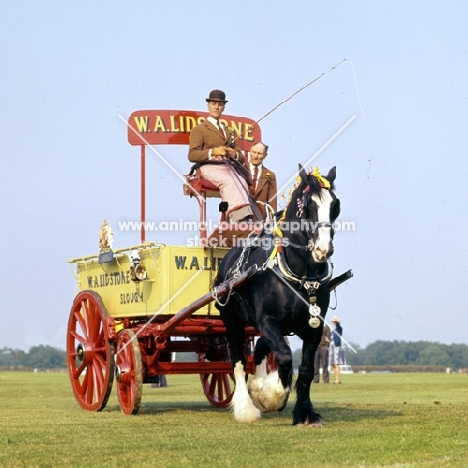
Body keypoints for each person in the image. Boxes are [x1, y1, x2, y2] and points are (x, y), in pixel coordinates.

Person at [188, 89, 253, 223]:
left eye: (220, 104)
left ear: (223, 107)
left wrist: (234, 153)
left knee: (242, 182)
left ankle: (237, 219)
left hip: (228, 167)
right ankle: (239, 219)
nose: (217, 107)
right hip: (209, 167)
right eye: (213, 103)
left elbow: (241, 156)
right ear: (208, 105)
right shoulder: (199, 129)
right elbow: (192, 155)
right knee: (228, 181)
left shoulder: (228, 131)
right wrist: (213, 152)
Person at [248, 142, 277, 220]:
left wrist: (273, 222)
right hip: (240, 221)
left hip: (259, 221)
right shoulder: (239, 171)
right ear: (250, 151)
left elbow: (272, 202)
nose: (255, 156)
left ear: (265, 156)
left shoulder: (271, 175)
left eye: (259, 154)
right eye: (254, 152)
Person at [329, 316, 344, 384]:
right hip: (331, 347)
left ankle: (338, 380)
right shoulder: (333, 330)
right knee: (332, 364)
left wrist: (336, 321)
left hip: (336, 347)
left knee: (336, 363)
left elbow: (338, 325)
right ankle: (336, 379)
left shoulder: (339, 329)